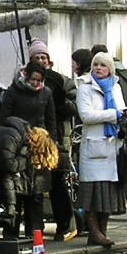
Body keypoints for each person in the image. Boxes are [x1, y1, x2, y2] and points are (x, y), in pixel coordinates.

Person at [75, 51, 127, 249]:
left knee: (107, 193)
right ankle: (94, 232)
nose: (98, 68)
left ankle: (102, 232)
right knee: (92, 194)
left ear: (110, 68)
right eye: (95, 64)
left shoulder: (116, 87)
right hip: (94, 146)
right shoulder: (84, 87)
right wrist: (114, 114)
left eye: (102, 65)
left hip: (112, 146)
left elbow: (121, 111)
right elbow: (86, 115)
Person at [27, 40, 79, 240]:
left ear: (50, 60)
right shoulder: (25, 80)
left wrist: (60, 102)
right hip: (35, 138)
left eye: (43, 57)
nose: (41, 60)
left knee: (58, 182)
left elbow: (74, 107)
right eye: (36, 57)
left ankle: (66, 225)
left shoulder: (61, 81)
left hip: (58, 137)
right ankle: (35, 227)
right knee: (35, 183)